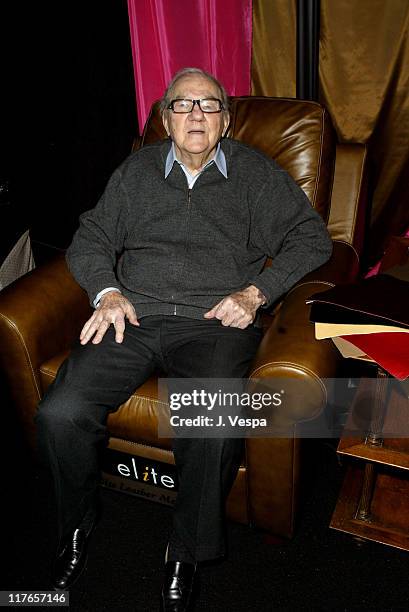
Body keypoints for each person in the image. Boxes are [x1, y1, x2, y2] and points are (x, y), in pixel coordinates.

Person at [35, 67, 333, 611]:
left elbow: (311, 238)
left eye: (208, 104)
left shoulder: (255, 174)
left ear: (226, 118)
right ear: (164, 118)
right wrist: (106, 292)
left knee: (209, 420)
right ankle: (77, 523)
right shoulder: (137, 171)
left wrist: (254, 294)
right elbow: (92, 237)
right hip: (135, 314)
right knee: (60, 413)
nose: (196, 114)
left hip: (214, 323)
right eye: (182, 105)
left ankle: (188, 550)